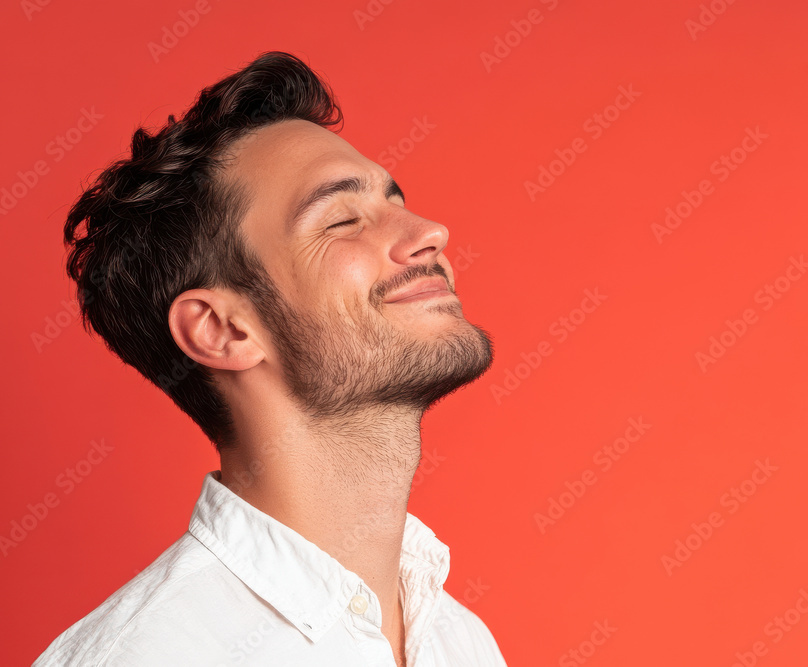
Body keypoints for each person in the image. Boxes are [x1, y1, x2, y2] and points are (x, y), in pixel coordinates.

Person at [34, 50, 506, 667]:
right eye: (340, 219)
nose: (430, 231)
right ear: (222, 330)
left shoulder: (458, 640)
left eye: (395, 200)